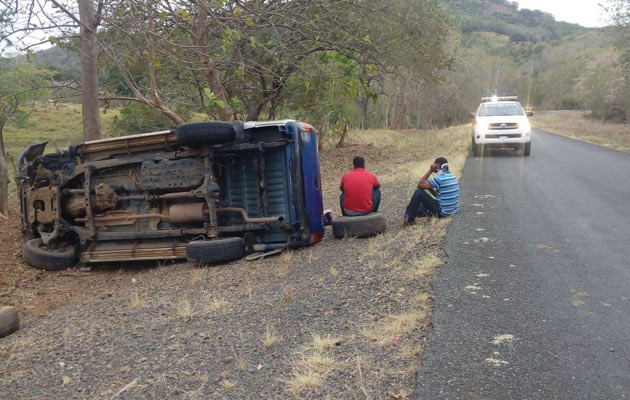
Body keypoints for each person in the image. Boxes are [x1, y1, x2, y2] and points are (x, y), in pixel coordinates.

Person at [403, 157, 459, 226]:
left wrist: (430, 170)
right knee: (420, 205)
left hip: (442, 213)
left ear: (437, 166)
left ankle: (410, 220)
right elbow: (440, 197)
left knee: (418, 192)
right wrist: (430, 188)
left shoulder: (439, 179)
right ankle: (415, 214)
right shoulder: (453, 177)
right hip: (452, 211)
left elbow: (419, 185)